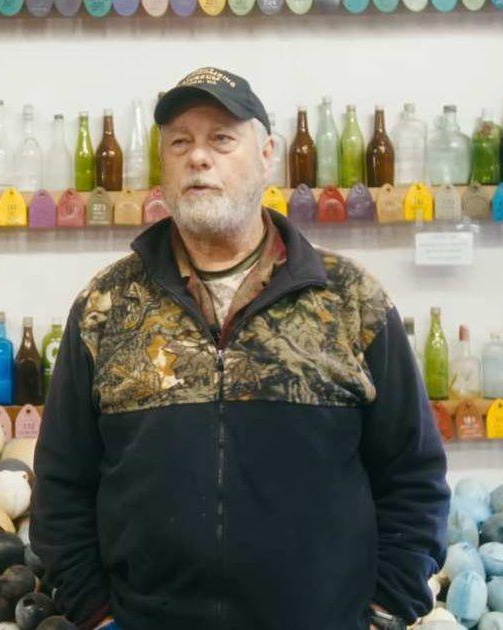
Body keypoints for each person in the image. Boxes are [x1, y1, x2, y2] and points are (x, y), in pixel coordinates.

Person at [29, 67, 450, 630]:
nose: (198, 158)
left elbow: (413, 475)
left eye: (221, 139)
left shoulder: (350, 300)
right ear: (163, 166)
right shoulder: (108, 306)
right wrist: (94, 615)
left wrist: (385, 612)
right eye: (180, 142)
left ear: (267, 154)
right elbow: (62, 482)